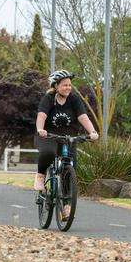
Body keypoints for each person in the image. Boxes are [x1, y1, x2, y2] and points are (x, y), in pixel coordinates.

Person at [34, 70, 98, 213]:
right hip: (48, 136)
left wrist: (92, 131)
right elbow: (41, 116)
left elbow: (82, 117)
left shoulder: (74, 99)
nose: (68, 88)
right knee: (49, 153)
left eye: (70, 85)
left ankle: (67, 205)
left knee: (69, 170)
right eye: (65, 85)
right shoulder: (49, 99)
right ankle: (40, 175)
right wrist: (40, 129)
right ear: (56, 86)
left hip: (69, 138)